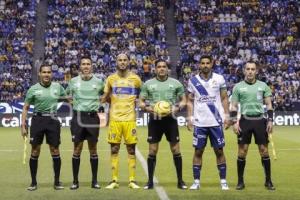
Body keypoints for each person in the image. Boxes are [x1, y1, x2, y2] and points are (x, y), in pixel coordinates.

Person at [139, 59, 187, 190]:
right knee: (153, 150)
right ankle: (149, 181)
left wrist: (177, 108)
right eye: (159, 67)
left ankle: (180, 181)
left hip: (170, 119)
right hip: (155, 120)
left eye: (164, 67)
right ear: (155, 69)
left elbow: (184, 100)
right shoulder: (148, 84)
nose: (161, 69)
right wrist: (148, 108)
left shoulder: (176, 83)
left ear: (168, 69)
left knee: (176, 150)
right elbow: (141, 102)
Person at [186, 55, 230, 190]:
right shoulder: (193, 80)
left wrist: (227, 115)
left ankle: (223, 181)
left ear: (212, 64)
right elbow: (189, 100)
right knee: (198, 151)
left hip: (216, 121)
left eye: (207, 63)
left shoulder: (219, 79)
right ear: (199, 65)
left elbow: (224, 98)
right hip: (200, 122)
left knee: (219, 151)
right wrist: (189, 118)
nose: (205, 65)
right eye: (203, 63)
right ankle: (196, 182)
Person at [230, 61, 275, 190]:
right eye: (248, 69)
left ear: (256, 71)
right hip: (245, 121)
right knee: (242, 151)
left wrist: (270, 120)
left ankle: (268, 181)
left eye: (252, 69)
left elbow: (269, 105)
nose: (250, 71)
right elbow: (233, 106)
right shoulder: (238, 87)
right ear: (244, 70)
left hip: (260, 120)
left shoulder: (263, 86)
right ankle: (240, 182)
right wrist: (234, 122)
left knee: (264, 151)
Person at [21, 64, 65, 191]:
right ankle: (33, 182)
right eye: (44, 72)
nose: (46, 74)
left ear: (52, 74)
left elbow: (69, 100)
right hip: (37, 120)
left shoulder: (58, 87)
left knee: (55, 150)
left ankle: (57, 182)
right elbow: (25, 108)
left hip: (53, 120)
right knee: (35, 151)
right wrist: (23, 125)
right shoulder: (33, 89)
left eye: (49, 72)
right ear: (39, 74)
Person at [101, 53, 142, 189]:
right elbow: (105, 97)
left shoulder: (136, 79)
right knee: (114, 149)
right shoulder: (111, 79)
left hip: (130, 119)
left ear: (129, 61)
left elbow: (142, 95)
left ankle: (132, 180)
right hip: (115, 120)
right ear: (116, 62)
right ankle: (114, 180)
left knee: (131, 149)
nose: (122, 62)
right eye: (120, 60)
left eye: (125, 60)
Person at [66, 55, 104, 190]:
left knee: (93, 149)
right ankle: (75, 181)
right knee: (77, 149)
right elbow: (67, 96)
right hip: (78, 118)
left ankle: (94, 181)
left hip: (93, 118)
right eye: (83, 64)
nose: (86, 66)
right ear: (80, 66)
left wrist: (99, 104)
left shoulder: (99, 82)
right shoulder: (73, 81)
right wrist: (75, 104)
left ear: (91, 66)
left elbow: (106, 95)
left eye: (88, 64)